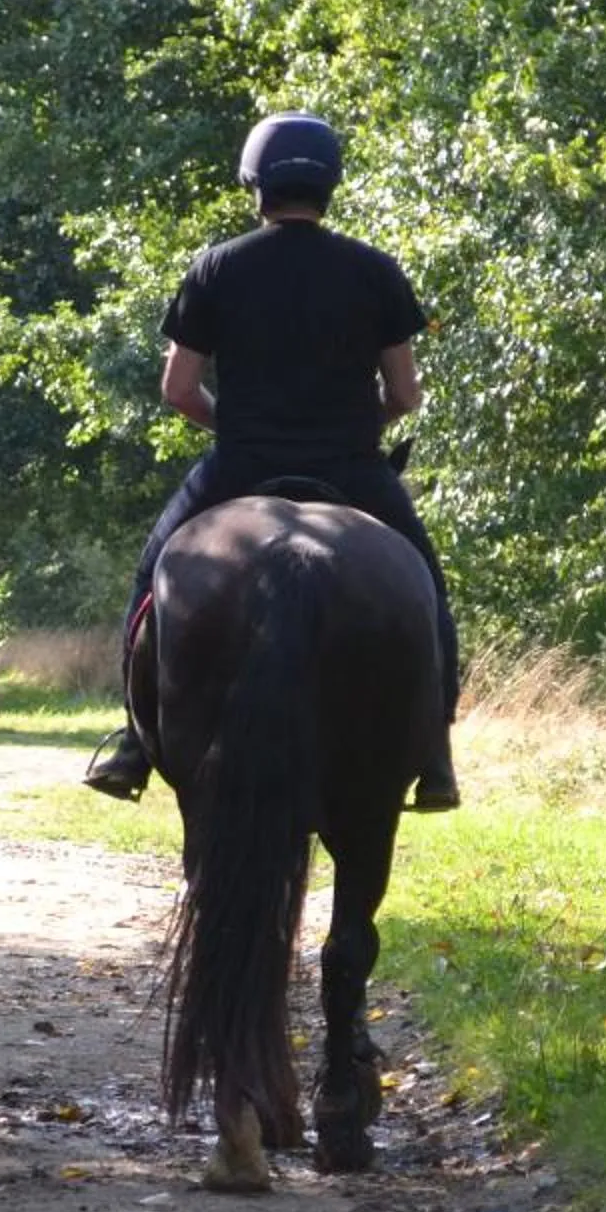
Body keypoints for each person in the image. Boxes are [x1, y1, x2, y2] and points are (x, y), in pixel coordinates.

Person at [84, 111, 459, 811]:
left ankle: (134, 742)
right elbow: (404, 393)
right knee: (427, 587)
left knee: (150, 578)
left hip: (240, 464)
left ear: (254, 183)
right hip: (351, 466)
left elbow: (178, 389)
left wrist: (242, 427)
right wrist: (352, 427)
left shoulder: (218, 266)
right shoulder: (373, 269)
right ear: (330, 186)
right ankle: (435, 751)